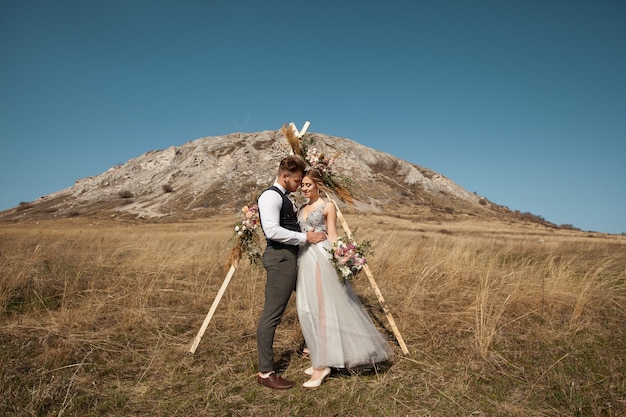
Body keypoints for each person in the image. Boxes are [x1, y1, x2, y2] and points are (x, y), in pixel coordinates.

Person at [296, 169, 393, 388]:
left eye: (308, 184)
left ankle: (322, 367)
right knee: (308, 308)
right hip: (304, 260)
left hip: (321, 258)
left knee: (322, 309)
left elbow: (332, 234)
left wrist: (340, 258)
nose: (304, 188)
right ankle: (320, 357)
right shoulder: (301, 208)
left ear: (318, 184)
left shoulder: (327, 206)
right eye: (302, 184)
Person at [255, 155, 327, 390]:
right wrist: (305, 237)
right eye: (296, 180)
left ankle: (310, 347)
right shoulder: (269, 197)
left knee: (313, 299)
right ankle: (265, 372)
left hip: (292, 258)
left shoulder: (286, 198)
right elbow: (273, 231)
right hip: (280, 259)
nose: (299, 185)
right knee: (272, 315)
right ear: (284, 176)